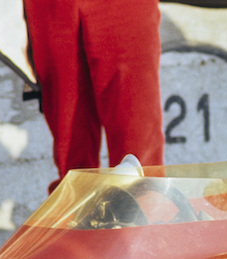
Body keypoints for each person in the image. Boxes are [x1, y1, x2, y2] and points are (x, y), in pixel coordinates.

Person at [22, 0, 165, 191]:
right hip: (52, 7)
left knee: (139, 156)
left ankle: (145, 215)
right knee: (72, 156)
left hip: (123, 6)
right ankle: (78, 217)